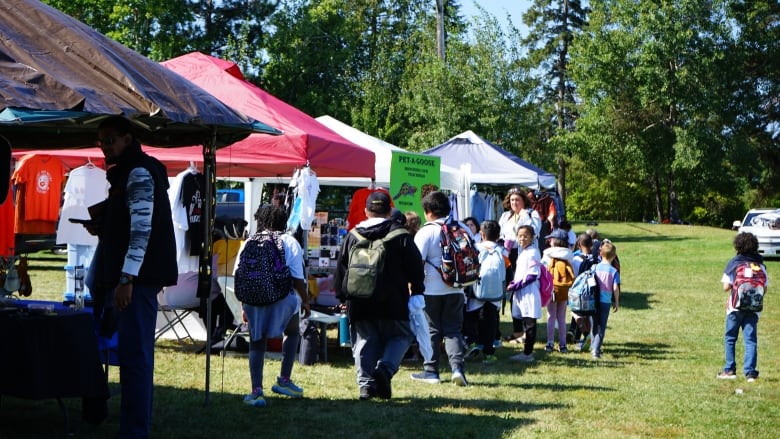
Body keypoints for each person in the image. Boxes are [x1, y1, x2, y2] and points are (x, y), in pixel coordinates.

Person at [85, 115, 178, 438]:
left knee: (135, 358)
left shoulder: (138, 172)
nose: (104, 146)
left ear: (127, 139)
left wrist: (127, 279)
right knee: (132, 356)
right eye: (101, 140)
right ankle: (133, 427)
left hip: (136, 281)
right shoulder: (130, 171)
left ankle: (134, 431)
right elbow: (131, 224)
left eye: (109, 139)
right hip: (134, 278)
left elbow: (141, 231)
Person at [335, 192, 425, 399]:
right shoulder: (400, 235)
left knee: (364, 340)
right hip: (393, 299)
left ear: (366, 211)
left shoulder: (353, 235)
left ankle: (366, 386)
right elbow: (415, 267)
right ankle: (385, 369)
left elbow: (341, 268)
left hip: (359, 300)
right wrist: (417, 290)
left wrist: (342, 297)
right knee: (402, 335)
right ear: (389, 210)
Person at [238, 204, 311, 407]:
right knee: (292, 331)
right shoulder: (289, 242)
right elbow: (297, 278)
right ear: (283, 222)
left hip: (254, 300)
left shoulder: (249, 242)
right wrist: (305, 300)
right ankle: (284, 380)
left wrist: (244, 305)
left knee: (256, 342)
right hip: (283, 299)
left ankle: (256, 391)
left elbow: (240, 275)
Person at [410, 191, 469, 386]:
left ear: (427, 211)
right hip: (457, 287)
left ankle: (431, 371)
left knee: (432, 330)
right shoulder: (461, 228)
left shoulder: (426, 231)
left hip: (431, 289)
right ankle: (457, 369)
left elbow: (416, 262)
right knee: (454, 330)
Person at [718, 232, 767, 382]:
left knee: (730, 338)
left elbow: (726, 287)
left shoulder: (735, 263)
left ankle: (730, 370)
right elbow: (764, 288)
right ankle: (750, 372)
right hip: (753, 309)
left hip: (735, 308)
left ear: (737, 245)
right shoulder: (760, 265)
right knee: (750, 340)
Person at [498, 187, 541, 343]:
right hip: (508, 255)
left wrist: (523, 215)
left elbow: (534, 230)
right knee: (512, 291)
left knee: (525, 291)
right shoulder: (505, 216)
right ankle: (517, 331)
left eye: (517, 199)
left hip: (525, 255)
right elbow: (501, 234)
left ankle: (526, 329)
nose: (514, 202)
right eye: (512, 200)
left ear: (524, 200)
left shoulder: (531, 214)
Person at [462, 220, 504, 364]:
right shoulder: (500, 251)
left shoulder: (476, 248)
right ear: (498, 236)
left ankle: (472, 343)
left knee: (471, 318)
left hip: (477, 289)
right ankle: (489, 353)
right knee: (491, 321)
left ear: (481, 234)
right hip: (494, 292)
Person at [506, 225, 543, 362]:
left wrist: (516, 285)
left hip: (529, 291)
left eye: (526, 235)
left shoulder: (533, 252)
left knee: (530, 322)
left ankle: (528, 354)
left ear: (532, 237)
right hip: (521, 291)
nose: (522, 238)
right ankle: (526, 351)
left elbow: (533, 275)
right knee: (523, 319)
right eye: (520, 235)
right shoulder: (524, 251)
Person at [541, 229, 574, 353]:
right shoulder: (569, 255)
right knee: (561, 317)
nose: (549, 241)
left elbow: (543, 270)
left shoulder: (547, 254)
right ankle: (563, 344)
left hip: (551, 289)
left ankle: (550, 343)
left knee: (551, 316)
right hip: (564, 290)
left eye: (551, 239)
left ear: (555, 241)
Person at [590, 240, 620, 359]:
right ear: (613, 256)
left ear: (600, 254)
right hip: (605, 301)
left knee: (594, 324)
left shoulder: (595, 267)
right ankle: (596, 350)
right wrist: (616, 302)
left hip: (593, 300)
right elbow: (615, 288)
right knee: (601, 326)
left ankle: (593, 345)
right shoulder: (613, 271)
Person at [569, 233, 596, 348]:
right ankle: (586, 337)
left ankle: (585, 335)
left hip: (578, 291)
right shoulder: (597, 259)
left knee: (576, 312)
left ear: (579, 244)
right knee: (588, 315)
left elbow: (574, 276)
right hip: (592, 291)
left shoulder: (576, 259)